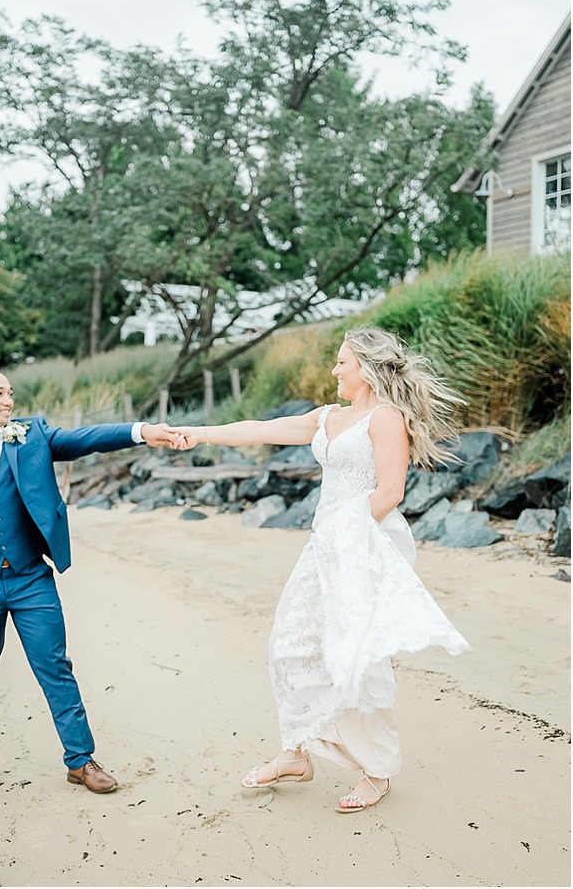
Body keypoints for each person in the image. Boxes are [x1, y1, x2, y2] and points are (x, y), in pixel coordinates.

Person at [176, 328, 470, 813]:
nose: (334, 371)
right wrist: (199, 434)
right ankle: (296, 752)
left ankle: (376, 773)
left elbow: (390, 493)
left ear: (368, 369)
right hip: (322, 547)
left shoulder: (386, 418)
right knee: (289, 644)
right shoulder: (328, 418)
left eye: (342, 363)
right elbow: (257, 429)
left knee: (354, 655)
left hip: (361, 545)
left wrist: (344, 535)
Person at [0, 367, 184, 799]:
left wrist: (142, 431)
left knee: (55, 668)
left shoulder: (31, 435)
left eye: (10, 393)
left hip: (30, 579)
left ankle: (81, 761)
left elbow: (84, 439)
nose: (7, 400)